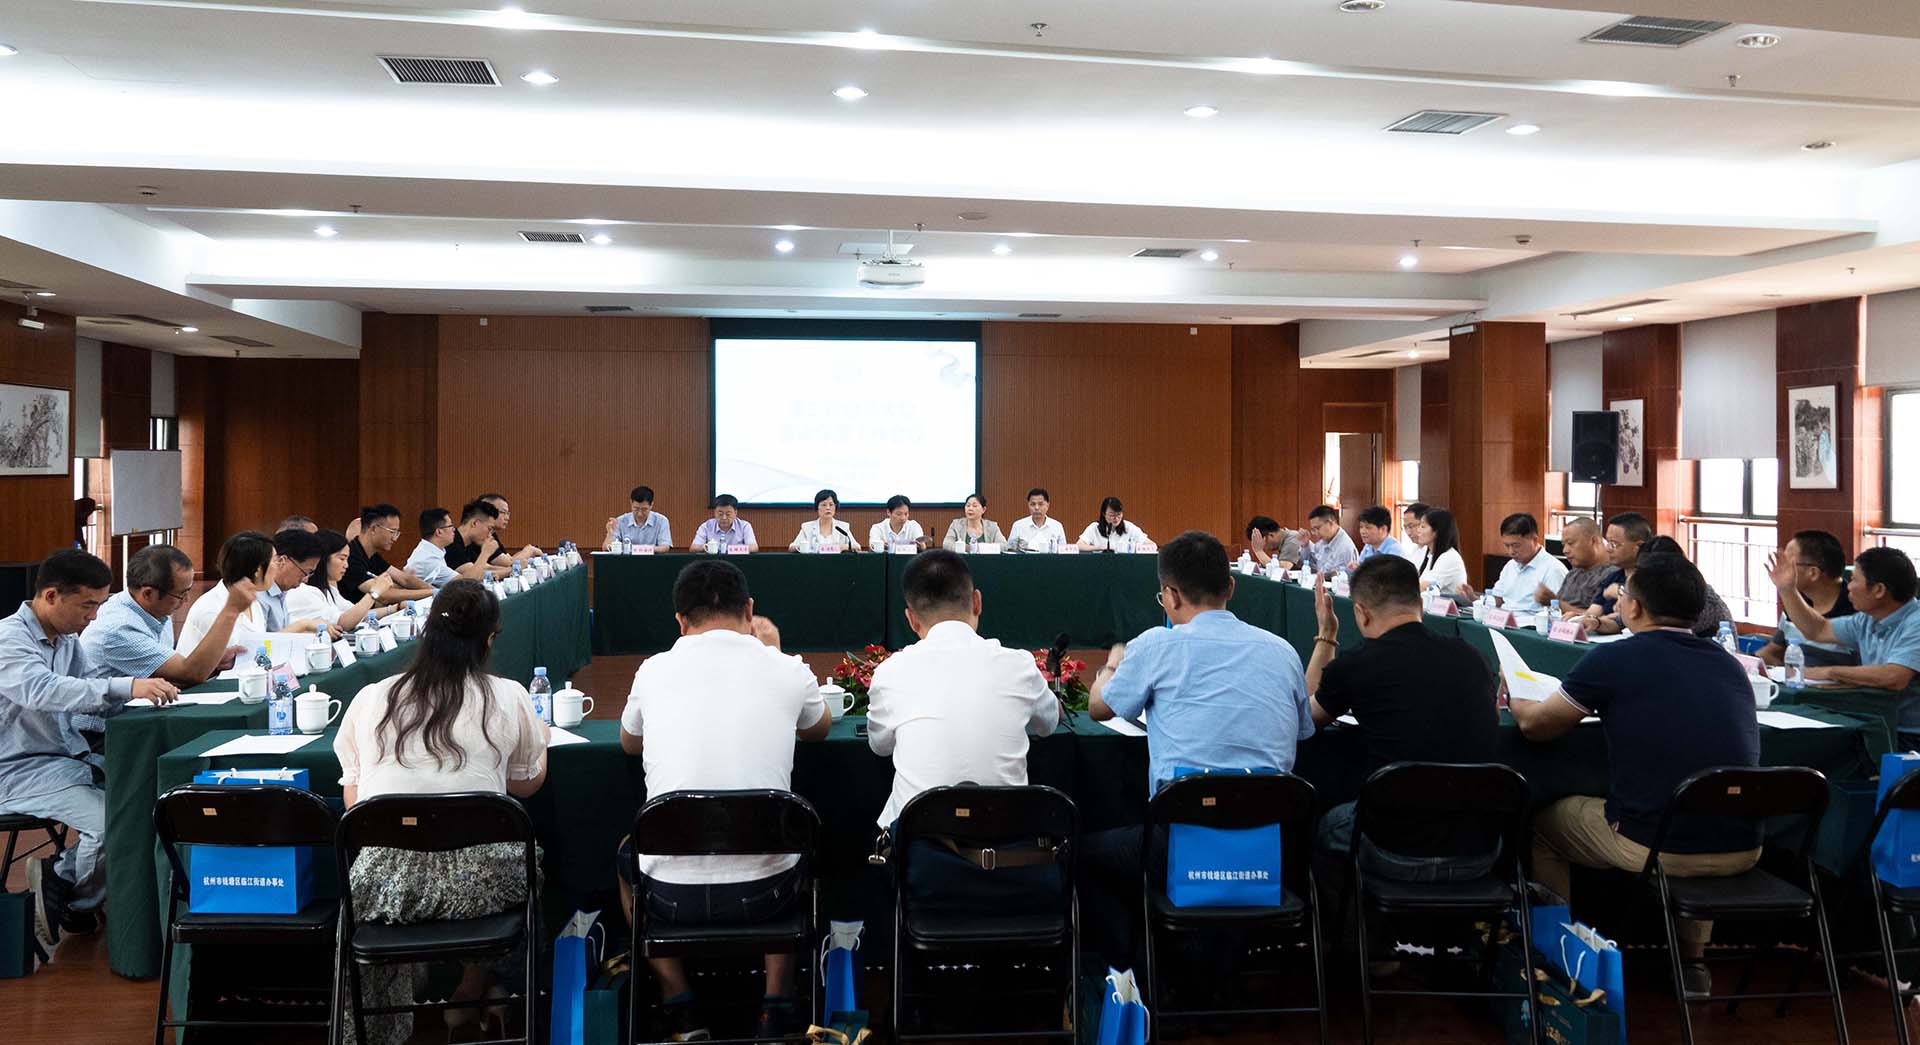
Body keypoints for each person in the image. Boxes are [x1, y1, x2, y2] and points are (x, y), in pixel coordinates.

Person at [1511, 553, 1759, 997]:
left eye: (1624, 593)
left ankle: (1560, 953)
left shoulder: (1615, 659)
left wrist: (1515, 697)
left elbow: (1536, 727)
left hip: (1655, 846)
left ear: (1635, 607)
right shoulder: (1728, 664)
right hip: (1744, 845)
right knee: (1701, 804)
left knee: (1544, 825)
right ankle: (1693, 965)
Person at [616, 561, 829, 1040]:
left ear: (680, 620)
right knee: (793, 841)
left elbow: (629, 742)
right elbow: (818, 728)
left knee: (626, 852)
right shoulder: (787, 667)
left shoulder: (653, 670)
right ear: (749, 611)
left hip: (668, 897)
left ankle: (679, 1003)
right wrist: (775, 664)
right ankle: (775, 1005)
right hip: (769, 894)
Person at [1082, 531, 1314, 971]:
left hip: (1178, 839)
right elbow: (1304, 731)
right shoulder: (1282, 651)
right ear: (1231, 587)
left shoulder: (1156, 645)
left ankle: (1136, 971)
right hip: (1271, 841)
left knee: (1084, 855)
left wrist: (1111, 666)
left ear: (1170, 596)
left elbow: (1098, 708)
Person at [334, 579, 549, 1045]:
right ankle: (484, 986)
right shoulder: (508, 695)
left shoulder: (372, 697)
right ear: (489, 639)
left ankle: (378, 1028)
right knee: (522, 862)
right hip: (482, 884)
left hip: (386, 887)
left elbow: (357, 806)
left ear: (426, 630)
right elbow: (527, 783)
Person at [1, 550, 179, 957]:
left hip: (66, 761)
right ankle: (66, 888)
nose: (94, 617)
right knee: (109, 824)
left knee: (145, 801)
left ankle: (71, 890)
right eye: (87, 605)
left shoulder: (66, 641)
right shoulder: (8, 640)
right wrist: (126, 685)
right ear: (50, 596)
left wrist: (149, 701)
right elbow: (43, 691)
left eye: (99, 604)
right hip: (17, 772)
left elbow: (88, 699)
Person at [1303, 556, 1500, 909]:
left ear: (1361, 613)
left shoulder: (1356, 664)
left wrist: (1327, 636)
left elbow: (1306, 720)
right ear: (1420, 605)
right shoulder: (1473, 657)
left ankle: (1346, 933)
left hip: (1392, 847)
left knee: (1324, 825)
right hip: (1480, 849)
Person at [868, 550, 1059, 826]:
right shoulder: (1019, 664)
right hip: (1009, 839)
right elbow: (1049, 724)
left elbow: (880, 746)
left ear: (911, 619)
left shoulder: (889, 672)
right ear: (977, 602)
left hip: (920, 842)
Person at [1770, 546, 1920, 739]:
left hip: (1910, 737)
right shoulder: (1867, 619)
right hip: (1879, 724)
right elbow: (1818, 630)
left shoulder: (1915, 623)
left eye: (1855, 579)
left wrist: (1829, 672)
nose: (1848, 586)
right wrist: (1787, 589)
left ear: (1879, 590)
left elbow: (1895, 676)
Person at [82, 544, 248, 686]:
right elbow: (190, 673)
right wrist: (231, 610)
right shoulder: (119, 628)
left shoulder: (156, 610)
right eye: (181, 594)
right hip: (112, 714)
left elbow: (168, 677)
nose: (186, 600)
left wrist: (212, 662)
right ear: (148, 593)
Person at [1587, 535, 1731, 638]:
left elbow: (1665, 633)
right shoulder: (1657, 592)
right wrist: (1596, 622)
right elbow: (1620, 622)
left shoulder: (1698, 595)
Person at [1758, 530, 1857, 669]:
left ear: (1813, 573)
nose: (1780, 568)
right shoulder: (1795, 602)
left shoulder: (1857, 608)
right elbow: (1772, 650)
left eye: (1787, 564)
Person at [176, 532, 274, 653]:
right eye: (275, 561)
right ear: (258, 569)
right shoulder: (211, 610)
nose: (278, 566)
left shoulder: (252, 599)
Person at [289, 529, 399, 634]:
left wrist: (395, 608)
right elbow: (343, 622)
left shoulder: (329, 590)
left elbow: (357, 614)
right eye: (342, 559)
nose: (346, 565)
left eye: (347, 559)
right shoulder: (304, 591)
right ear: (324, 559)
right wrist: (374, 593)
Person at [343, 504, 434, 606]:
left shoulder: (371, 555)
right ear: (374, 529)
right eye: (392, 532)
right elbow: (383, 595)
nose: (395, 539)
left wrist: (436, 591)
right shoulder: (350, 556)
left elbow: (404, 579)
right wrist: (431, 593)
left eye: (397, 533)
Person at [1477, 513, 1567, 612]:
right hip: (1505, 618)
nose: (1511, 552)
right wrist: (1475, 599)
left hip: (1531, 620)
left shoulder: (1553, 569)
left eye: (1516, 545)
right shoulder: (1510, 565)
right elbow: (1499, 599)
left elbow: (1558, 611)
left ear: (1534, 540)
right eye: (1507, 546)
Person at [1578, 512, 1650, 629]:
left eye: (1614, 544)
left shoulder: (1653, 578)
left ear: (1639, 546)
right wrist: (1578, 619)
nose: (1608, 549)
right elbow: (1594, 611)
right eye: (1608, 542)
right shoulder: (1612, 578)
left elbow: (1630, 618)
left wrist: (1620, 591)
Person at [258, 527, 330, 634]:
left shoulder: (281, 593)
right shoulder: (258, 595)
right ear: (283, 561)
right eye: (305, 572)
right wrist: (303, 625)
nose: (305, 579)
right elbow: (259, 642)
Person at [1547, 517, 1610, 614]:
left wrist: (1562, 607)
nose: (1565, 550)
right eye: (1563, 545)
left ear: (1594, 541)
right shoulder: (1572, 574)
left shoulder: (1613, 575)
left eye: (1570, 543)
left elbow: (1603, 619)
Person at [443, 500, 508, 578]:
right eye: (489, 529)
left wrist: (512, 569)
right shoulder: (451, 543)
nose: (489, 535)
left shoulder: (471, 543)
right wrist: (486, 553)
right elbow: (472, 576)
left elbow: (486, 568)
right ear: (474, 523)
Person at [1416, 508, 1470, 594]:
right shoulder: (1430, 554)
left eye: (1423, 526)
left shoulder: (1449, 558)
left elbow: (1424, 587)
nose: (1418, 530)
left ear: (1437, 531)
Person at [477, 493, 543, 563]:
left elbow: (508, 558)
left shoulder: (491, 534)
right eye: (503, 512)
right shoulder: (480, 535)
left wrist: (527, 550)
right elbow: (509, 563)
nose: (507, 518)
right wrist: (530, 550)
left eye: (508, 513)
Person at [402, 508, 459, 589]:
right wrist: (480, 555)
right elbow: (463, 584)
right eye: (450, 526)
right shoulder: (428, 559)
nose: (454, 529)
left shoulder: (429, 549)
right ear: (439, 532)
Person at [605, 485, 673, 553]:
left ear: (651, 505)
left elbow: (665, 547)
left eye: (644, 509)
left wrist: (639, 549)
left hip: (652, 559)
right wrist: (610, 534)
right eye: (636, 508)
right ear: (631, 503)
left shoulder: (661, 521)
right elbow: (606, 548)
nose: (639, 514)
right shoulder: (620, 521)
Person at [790, 489, 860, 551]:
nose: (828, 508)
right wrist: (805, 547)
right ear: (817, 507)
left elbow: (857, 547)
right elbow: (792, 547)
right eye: (824, 505)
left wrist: (843, 547)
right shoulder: (807, 527)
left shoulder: (843, 527)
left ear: (835, 507)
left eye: (831, 505)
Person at [1077, 496, 1151, 552]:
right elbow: (1079, 546)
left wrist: (1134, 547)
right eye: (1112, 515)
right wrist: (1099, 548)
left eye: (1119, 514)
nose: (1116, 518)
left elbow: (1152, 545)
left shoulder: (1129, 527)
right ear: (1104, 514)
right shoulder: (1094, 528)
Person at [1300, 505, 1359, 575]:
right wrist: (1305, 546)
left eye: (1317, 528)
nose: (1316, 533)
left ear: (1330, 523)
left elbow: (1349, 577)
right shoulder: (1322, 542)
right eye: (1313, 530)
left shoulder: (1346, 548)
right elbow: (1310, 566)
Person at [690, 494, 758, 552]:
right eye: (720, 514)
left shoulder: (744, 526)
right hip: (713, 561)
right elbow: (693, 548)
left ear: (735, 513)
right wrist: (707, 547)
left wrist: (730, 549)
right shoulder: (706, 526)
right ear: (715, 512)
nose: (724, 518)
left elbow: (753, 548)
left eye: (728, 514)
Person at [1007, 488, 1068, 553]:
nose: (1036, 508)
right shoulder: (1018, 525)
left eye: (1040, 504)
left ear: (1047, 505)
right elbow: (1010, 550)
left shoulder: (1057, 526)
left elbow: (1063, 552)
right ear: (1028, 505)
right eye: (1033, 504)